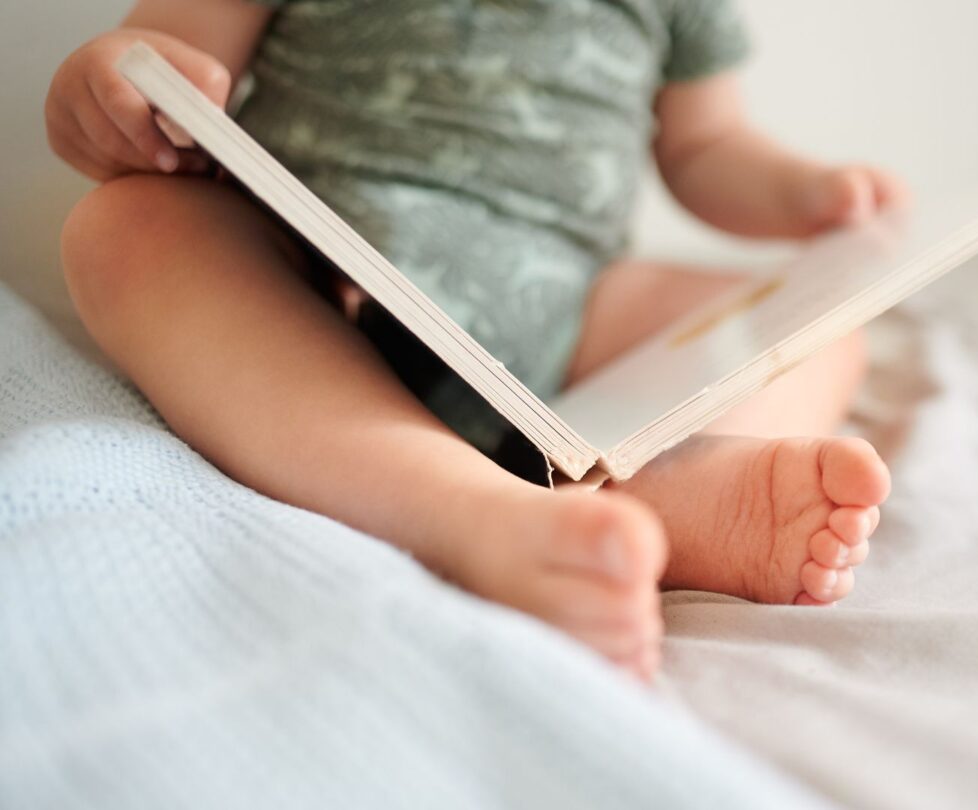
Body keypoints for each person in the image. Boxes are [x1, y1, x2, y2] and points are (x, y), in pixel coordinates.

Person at [48, 0, 902, 680]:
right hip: (316, 290)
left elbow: (707, 146)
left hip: (567, 315)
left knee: (823, 322)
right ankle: (474, 514)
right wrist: (109, 91)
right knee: (127, 226)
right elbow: (163, 56)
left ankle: (665, 485)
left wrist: (808, 194)